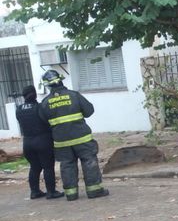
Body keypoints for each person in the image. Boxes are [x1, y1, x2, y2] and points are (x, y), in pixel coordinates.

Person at [38, 70, 109, 201]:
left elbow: (43, 121)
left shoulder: (45, 103)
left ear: (47, 85)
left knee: (67, 165)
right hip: (82, 138)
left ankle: (71, 194)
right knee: (89, 162)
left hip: (61, 141)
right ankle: (94, 190)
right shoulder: (74, 95)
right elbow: (89, 111)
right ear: (61, 80)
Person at [15, 85, 64, 200]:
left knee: (34, 167)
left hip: (27, 142)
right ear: (35, 94)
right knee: (48, 167)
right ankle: (51, 192)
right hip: (43, 141)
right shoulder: (40, 107)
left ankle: (34, 192)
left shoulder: (19, 109)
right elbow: (48, 122)